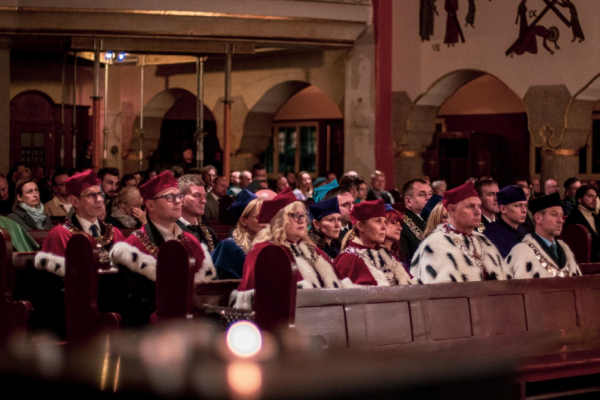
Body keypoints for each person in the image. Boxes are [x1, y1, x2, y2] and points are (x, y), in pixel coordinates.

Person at [110, 171, 215, 327]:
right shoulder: (133, 246)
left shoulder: (191, 240)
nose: (178, 201)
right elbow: (131, 303)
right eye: (169, 197)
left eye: (179, 196)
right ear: (150, 205)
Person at [232, 187, 349, 309]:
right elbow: (263, 301)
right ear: (279, 220)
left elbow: (341, 286)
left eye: (303, 215)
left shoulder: (310, 249)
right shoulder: (265, 250)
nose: (301, 221)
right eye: (295, 215)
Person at [411, 181, 511, 284]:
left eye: (479, 206)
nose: (478, 212)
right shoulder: (435, 244)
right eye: (470, 206)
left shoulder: (483, 241)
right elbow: (439, 290)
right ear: (452, 210)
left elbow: (506, 283)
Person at [34, 169, 126, 275]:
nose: (99, 199)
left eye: (100, 194)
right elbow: (54, 278)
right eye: (91, 195)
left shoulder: (114, 233)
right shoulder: (60, 235)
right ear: (75, 201)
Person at [334, 200, 414, 286]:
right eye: (378, 221)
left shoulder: (387, 255)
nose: (384, 227)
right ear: (360, 226)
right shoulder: (348, 259)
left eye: (385, 222)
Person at [507, 193, 581, 279]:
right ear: (538, 218)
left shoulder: (565, 250)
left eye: (561, 215)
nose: (560, 220)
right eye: (554, 214)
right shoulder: (522, 252)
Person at [213, 190, 264, 279]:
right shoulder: (230, 246)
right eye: (259, 217)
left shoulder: (270, 244)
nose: (264, 221)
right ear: (243, 221)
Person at [176, 174, 219, 253]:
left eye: (204, 196)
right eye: (197, 195)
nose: (203, 200)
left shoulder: (210, 233)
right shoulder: (170, 232)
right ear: (180, 198)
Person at [483, 185, 529, 258]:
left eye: (525, 205)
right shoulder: (492, 235)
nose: (524, 210)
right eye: (518, 206)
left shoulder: (524, 233)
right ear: (503, 209)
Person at [564, 185, 600, 262]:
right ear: (580, 200)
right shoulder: (573, 219)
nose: (594, 200)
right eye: (590, 196)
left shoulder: (596, 218)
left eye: (595, 196)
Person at [400, 179, 432, 265]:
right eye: (422, 194)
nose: (428, 198)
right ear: (408, 201)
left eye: (430, 194)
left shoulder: (437, 221)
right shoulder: (401, 226)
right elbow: (406, 262)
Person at [382, 206, 407, 273]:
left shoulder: (400, 257)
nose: (400, 228)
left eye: (400, 224)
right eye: (394, 223)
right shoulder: (376, 257)